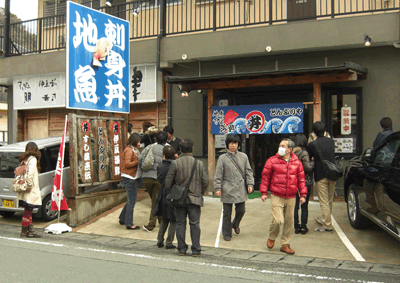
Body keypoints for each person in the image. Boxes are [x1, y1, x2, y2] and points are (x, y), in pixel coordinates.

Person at [260, 138, 307, 255]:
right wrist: (264, 193)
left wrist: (303, 195)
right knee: (278, 220)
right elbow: (265, 177)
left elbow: (301, 179)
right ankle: (272, 236)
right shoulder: (272, 161)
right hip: (277, 195)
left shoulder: (297, 163)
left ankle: (285, 244)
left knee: (289, 222)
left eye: (283, 146)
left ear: (289, 149)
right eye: (280, 145)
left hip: (291, 196)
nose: (280, 148)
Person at [165, 138, 208, 256]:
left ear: (180, 149)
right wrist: (200, 192)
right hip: (195, 198)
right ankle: (196, 249)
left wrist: (173, 193)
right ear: (192, 149)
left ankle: (182, 249)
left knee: (180, 223)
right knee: (195, 224)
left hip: (179, 199)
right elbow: (205, 181)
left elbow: (168, 182)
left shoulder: (175, 163)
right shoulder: (199, 163)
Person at [214, 134, 254, 241]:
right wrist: (217, 188)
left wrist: (250, 184)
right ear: (227, 144)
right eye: (232, 143)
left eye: (235, 143)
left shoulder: (243, 156)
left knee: (241, 210)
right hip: (227, 188)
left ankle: (235, 223)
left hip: (240, 188)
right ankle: (227, 233)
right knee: (227, 213)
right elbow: (218, 175)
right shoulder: (222, 158)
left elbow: (248, 172)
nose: (234, 145)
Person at [308, 121, 336, 233]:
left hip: (320, 175)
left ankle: (327, 226)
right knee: (329, 200)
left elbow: (309, 158)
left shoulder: (312, 144)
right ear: (324, 131)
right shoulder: (331, 141)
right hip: (332, 173)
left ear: (314, 132)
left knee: (323, 201)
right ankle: (326, 219)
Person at [138, 131, 168, 232]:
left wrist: (142, 169)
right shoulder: (166, 150)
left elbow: (140, 158)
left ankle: (161, 220)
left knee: (155, 200)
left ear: (155, 139)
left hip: (147, 178)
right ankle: (151, 225)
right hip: (159, 179)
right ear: (166, 140)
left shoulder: (149, 147)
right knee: (156, 202)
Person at [17, 142, 42, 238]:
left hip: (23, 189)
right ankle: (24, 232)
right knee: (28, 212)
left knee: (28, 211)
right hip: (29, 189)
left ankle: (31, 231)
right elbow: (30, 174)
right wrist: (28, 185)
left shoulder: (24, 159)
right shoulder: (33, 159)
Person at [154, 145, 177, 249]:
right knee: (173, 219)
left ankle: (159, 240)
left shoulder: (160, 167)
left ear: (163, 155)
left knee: (164, 218)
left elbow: (159, 179)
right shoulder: (175, 166)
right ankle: (169, 242)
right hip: (173, 193)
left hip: (162, 193)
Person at [118, 134, 141, 230]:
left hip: (131, 177)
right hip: (129, 177)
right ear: (134, 141)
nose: (139, 143)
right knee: (132, 200)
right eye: (138, 141)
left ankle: (123, 218)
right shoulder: (129, 150)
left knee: (130, 200)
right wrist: (138, 161)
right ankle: (129, 223)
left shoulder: (131, 149)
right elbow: (127, 164)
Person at [293, 134, 314, 235]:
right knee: (304, 205)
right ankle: (303, 227)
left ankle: (296, 227)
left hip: (293, 182)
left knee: (295, 205)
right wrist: (313, 162)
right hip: (303, 182)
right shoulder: (304, 153)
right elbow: (308, 167)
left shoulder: (291, 152)